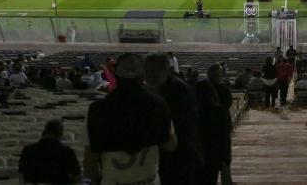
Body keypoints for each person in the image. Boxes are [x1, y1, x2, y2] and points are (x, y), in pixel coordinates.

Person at [83, 53, 177, 185]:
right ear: (143, 75)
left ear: (115, 74)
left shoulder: (96, 110)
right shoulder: (159, 105)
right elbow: (171, 144)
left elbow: (90, 162)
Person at [143, 53, 202, 185]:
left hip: (178, 157)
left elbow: (181, 126)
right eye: (146, 71)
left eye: (154, 71)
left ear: (166, 71)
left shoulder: (180, 91)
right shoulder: (149, 90)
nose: (149, 75)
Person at [195, 64, 234, 185]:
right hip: (219, 134)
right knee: (217, 165)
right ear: (220, 76)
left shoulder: (199, 87)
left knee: (204, 171)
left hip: (202, 134)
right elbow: (227, 104)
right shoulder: (223, 90)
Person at [19, 119, 82, 184]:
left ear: (44, 131)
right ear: (60, 133)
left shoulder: (28, 150)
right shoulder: (67, 152)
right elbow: (77, 177)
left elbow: (21, 176)